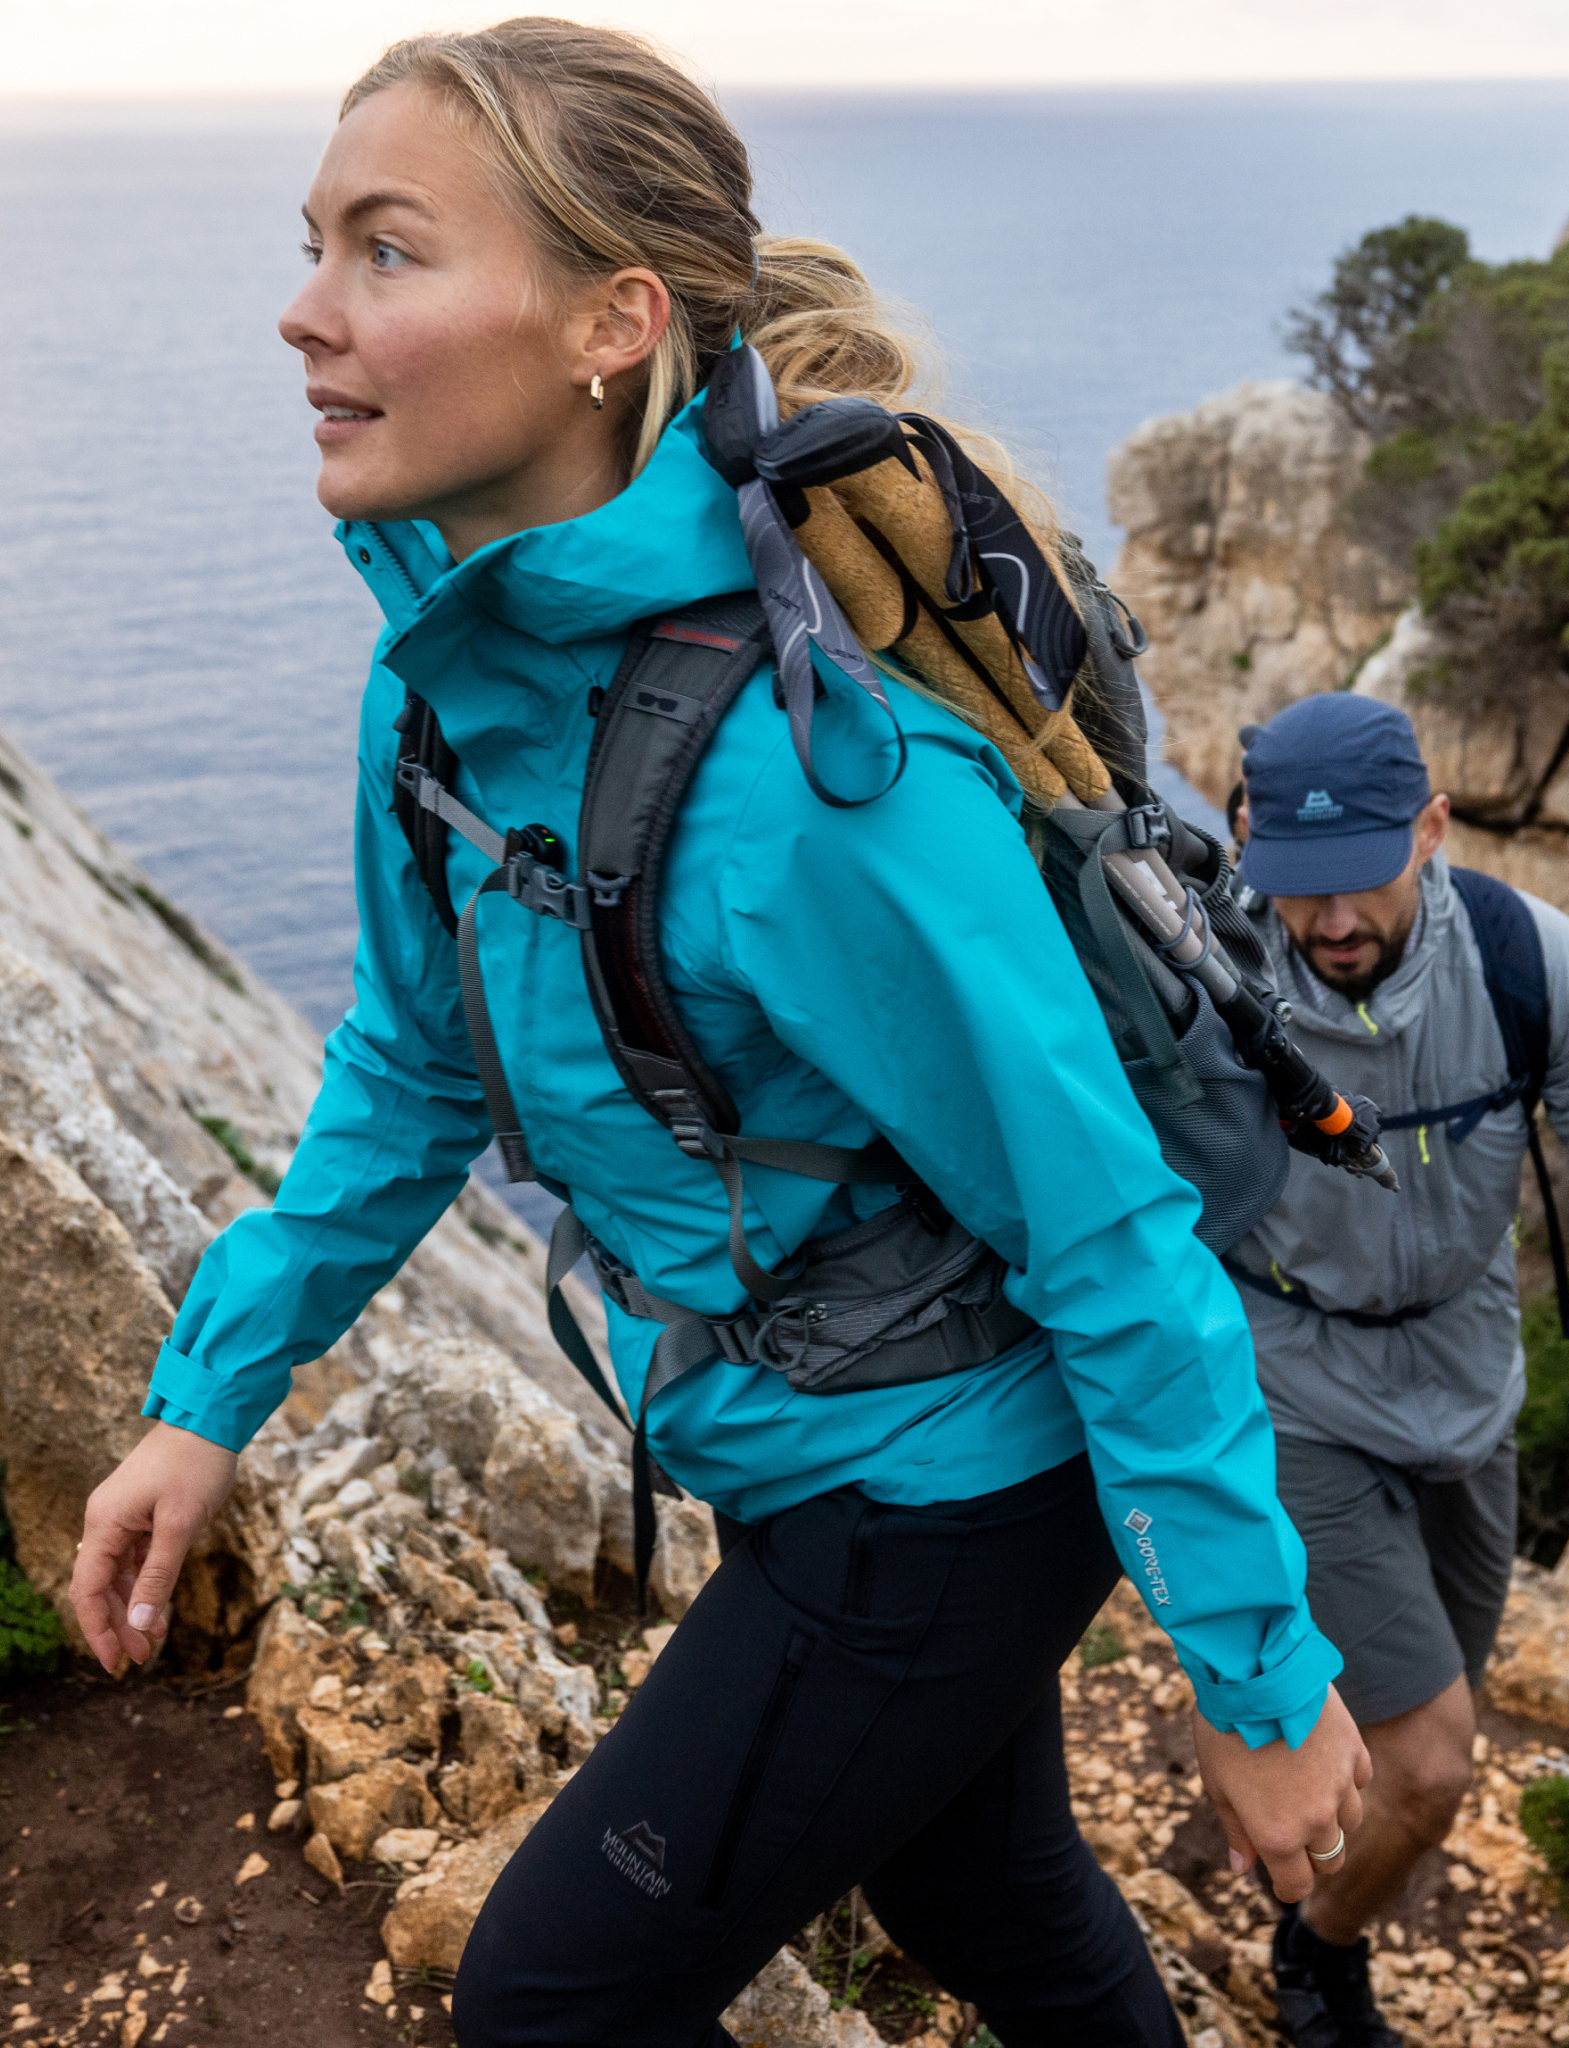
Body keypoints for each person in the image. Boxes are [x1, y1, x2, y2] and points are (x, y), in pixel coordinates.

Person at [66, 23, 1372, 2045]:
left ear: (614, 321)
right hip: (790, 1429)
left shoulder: (816, 787)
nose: (303, 311)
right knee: (983, 1886)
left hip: (942, 1490)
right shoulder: (443, 682)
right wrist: (205, 1397)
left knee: (547, 1998)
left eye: (388, 252)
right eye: (317, 242)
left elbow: (1107, 1237)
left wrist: (1258, 1683)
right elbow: (418, 1072)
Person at [1226, 691, 1569, 2048]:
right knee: (1432, 1762)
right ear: (1244, 845)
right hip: (1284, 1376)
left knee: (1410, 1729)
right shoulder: (1208, 984)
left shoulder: (1536, 968)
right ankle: (1319, 1960)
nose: (1330, 919)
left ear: (1433, 828)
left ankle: (1270, 1790)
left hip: (1472, 1383)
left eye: (1362, 873)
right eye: (1295, 887)